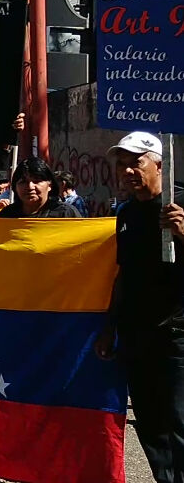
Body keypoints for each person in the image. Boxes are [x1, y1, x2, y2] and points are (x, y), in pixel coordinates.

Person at [95, 132, 184, 483]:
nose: (128, 170)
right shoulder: (126, 212)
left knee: (178, 420)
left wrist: (182, 233)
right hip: (136, 334)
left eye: (136, 162)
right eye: (122, 164)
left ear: (158, 164)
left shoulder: (179, 205)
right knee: (150, 423)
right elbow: (124, 274)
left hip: (176, 334)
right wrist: (109, 328)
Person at [0, 158, 80, 219]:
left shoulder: (65, 214)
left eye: (36, 181)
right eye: (23, 182)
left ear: (49, 185)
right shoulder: (6, 216)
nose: (30, 187)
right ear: (15, 186)